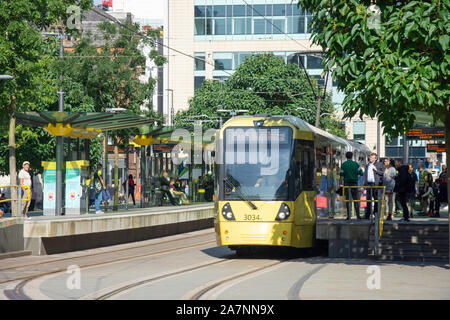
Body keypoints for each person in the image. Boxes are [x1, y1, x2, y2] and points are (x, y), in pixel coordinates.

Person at [339, 151, 364, 220]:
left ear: (346, 157)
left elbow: (341, 176)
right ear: (352, 156)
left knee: (348, 200)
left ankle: (349, 216)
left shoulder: (343, 165)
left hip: (346, 184)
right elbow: (361, 173)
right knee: (355, 199)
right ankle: (358, 215)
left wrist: (340, 184)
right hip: (354, 183)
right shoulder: (356, 164)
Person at [363, 153, 385, 219]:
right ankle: (368, 214)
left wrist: (376, 170)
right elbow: (365, 175)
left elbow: (382, 173)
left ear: (375, 158)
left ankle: (376, 214)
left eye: (372, 157)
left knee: (376, 199)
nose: (370, 158)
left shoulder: (379, 164)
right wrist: (364, 184)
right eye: (370, 157)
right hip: (368, 184)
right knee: (368, 199)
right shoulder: (367, 165)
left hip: (376, 184)